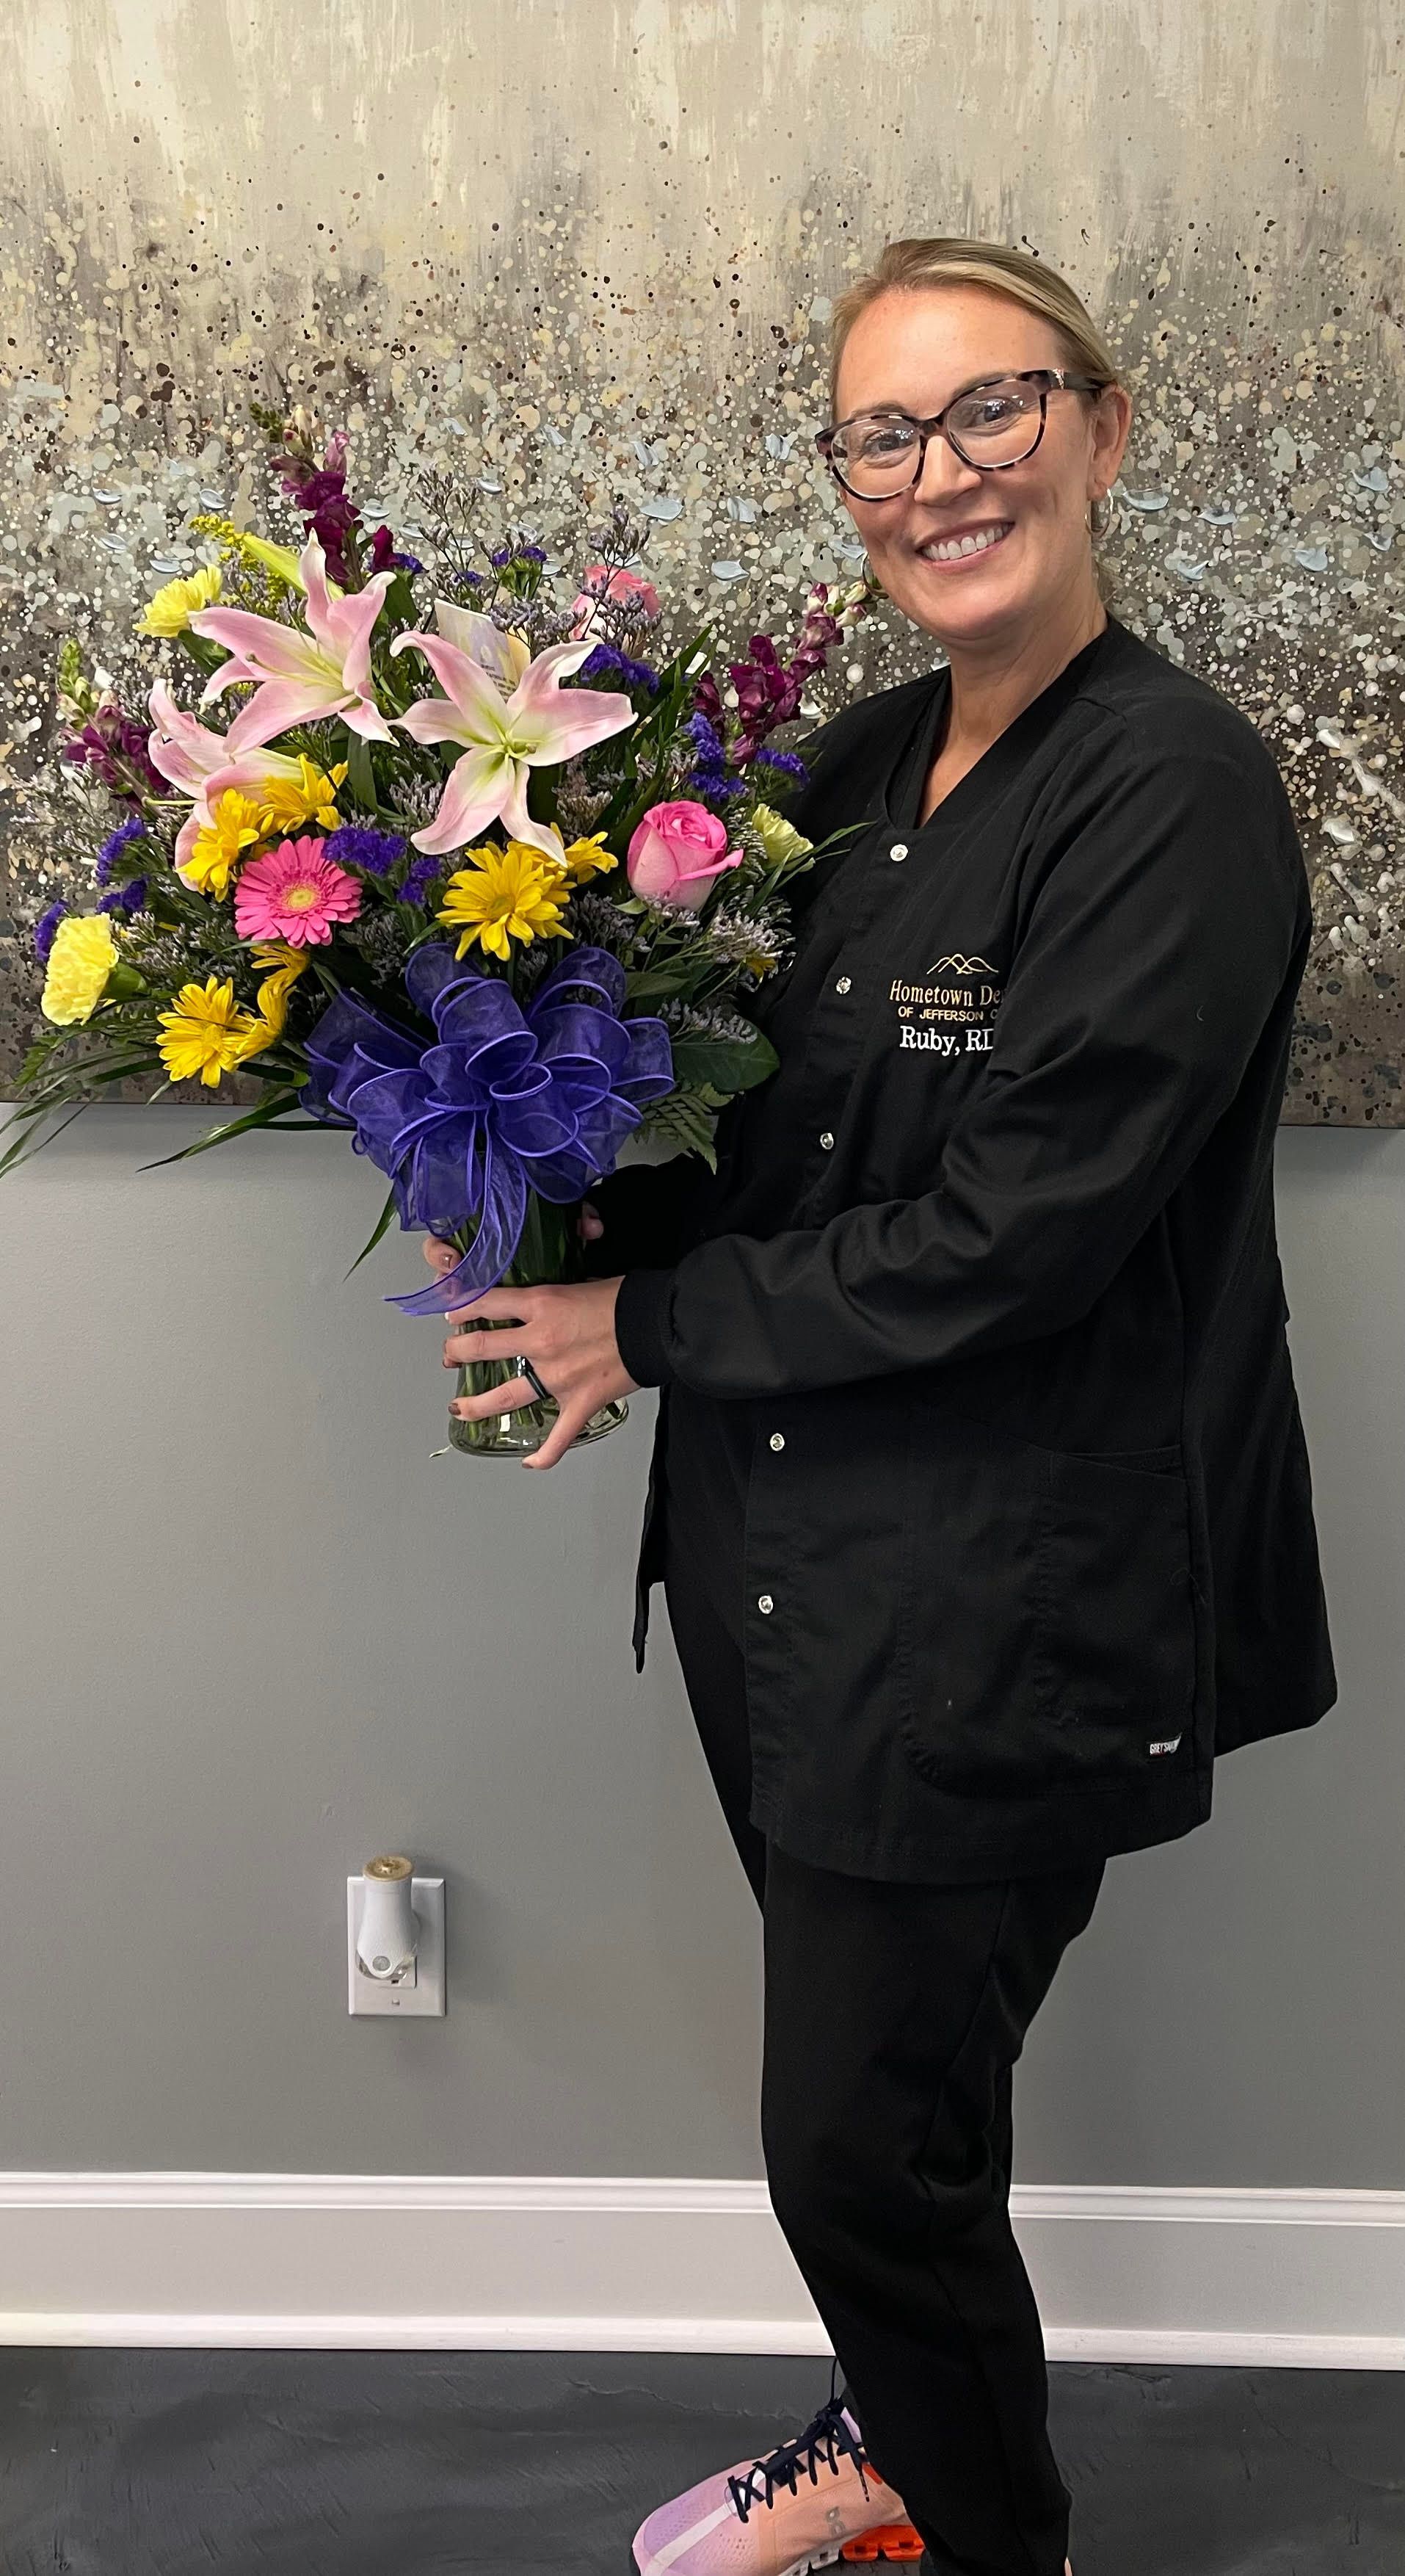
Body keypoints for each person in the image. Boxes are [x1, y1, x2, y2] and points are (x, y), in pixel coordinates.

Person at [423, 235, 1337, 2576]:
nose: (939, 476)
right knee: (903, 2111)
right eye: (882, 435)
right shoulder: (849, 764)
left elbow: (1019, 1232)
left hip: (1000, 1595)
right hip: (786, 1567)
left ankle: (980, 2526)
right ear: (842, 481)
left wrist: (650, 1335)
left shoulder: (1173, 794)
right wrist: (548, 1220)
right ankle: (887, 2451)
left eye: (991, 410)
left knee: (853, 2139)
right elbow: (761, 1128)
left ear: (1102, 427)